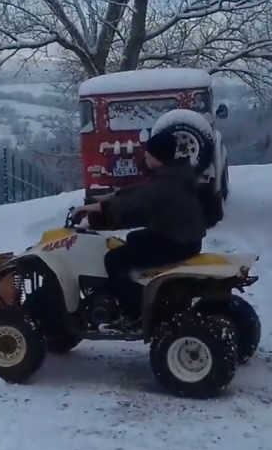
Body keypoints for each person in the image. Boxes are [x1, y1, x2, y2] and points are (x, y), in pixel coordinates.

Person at [71, 130, 207, 330]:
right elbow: (138, 191)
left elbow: (135, 201)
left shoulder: (166, 183)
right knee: (134, 238)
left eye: (148, 154)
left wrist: (90, 209)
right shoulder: (176, 172)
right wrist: (104, 199)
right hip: (183, 238)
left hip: (177, 243)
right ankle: (135, 288)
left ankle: (134, 313)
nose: (145, 156)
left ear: (158, 157)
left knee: (114, 259)